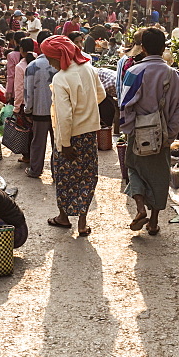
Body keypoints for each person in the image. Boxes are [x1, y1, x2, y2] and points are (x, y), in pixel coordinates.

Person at [120, 27, 179, 236]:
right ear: (164, 47)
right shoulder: (174, 75)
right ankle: (154, 221)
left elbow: (125, 104)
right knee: (159, 176)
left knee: (134, 168)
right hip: (163, 134)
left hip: (138, 132)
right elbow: (178, 106)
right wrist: (171, 134)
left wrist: (128, 129)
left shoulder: (134, 71)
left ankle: (140, 208)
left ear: (143, 48)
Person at [42, 35, 106, 236]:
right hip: (88, 134)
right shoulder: (89, 68)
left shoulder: (61, 78)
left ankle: (63, 217)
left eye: (50, 58)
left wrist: (65, 143)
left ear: (59, 56)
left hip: (69, 136)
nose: (50, 63)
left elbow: (64, 115)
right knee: (86, 177)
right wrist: (86, 107)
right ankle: (82, 223)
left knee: (64, 177)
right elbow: (101, 95)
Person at [23, 41, 58, 178]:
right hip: (57, 111)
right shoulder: (59, 65)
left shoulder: (32, 66)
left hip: (39, 110)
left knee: (38, 142)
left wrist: (28, 110)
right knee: (57, 143)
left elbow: (28, 92)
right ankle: (57, 172)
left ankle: (35, 170)